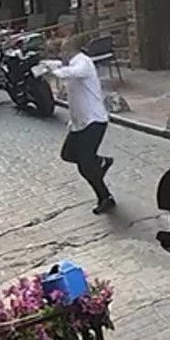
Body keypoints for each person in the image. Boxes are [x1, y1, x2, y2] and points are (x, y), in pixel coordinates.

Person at [53, 40, 115, 214]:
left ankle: (105, 198)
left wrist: (55, 72)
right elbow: (62, 66)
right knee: (68, 154)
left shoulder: (83, 62)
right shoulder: (73, 62)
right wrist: (48, 66)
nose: (60, 55)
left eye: (61, 52)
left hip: (94, 121)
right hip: (79, 123)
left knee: (86, 166)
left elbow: (74, 72)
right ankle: (101, 162)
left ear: (69, 51)